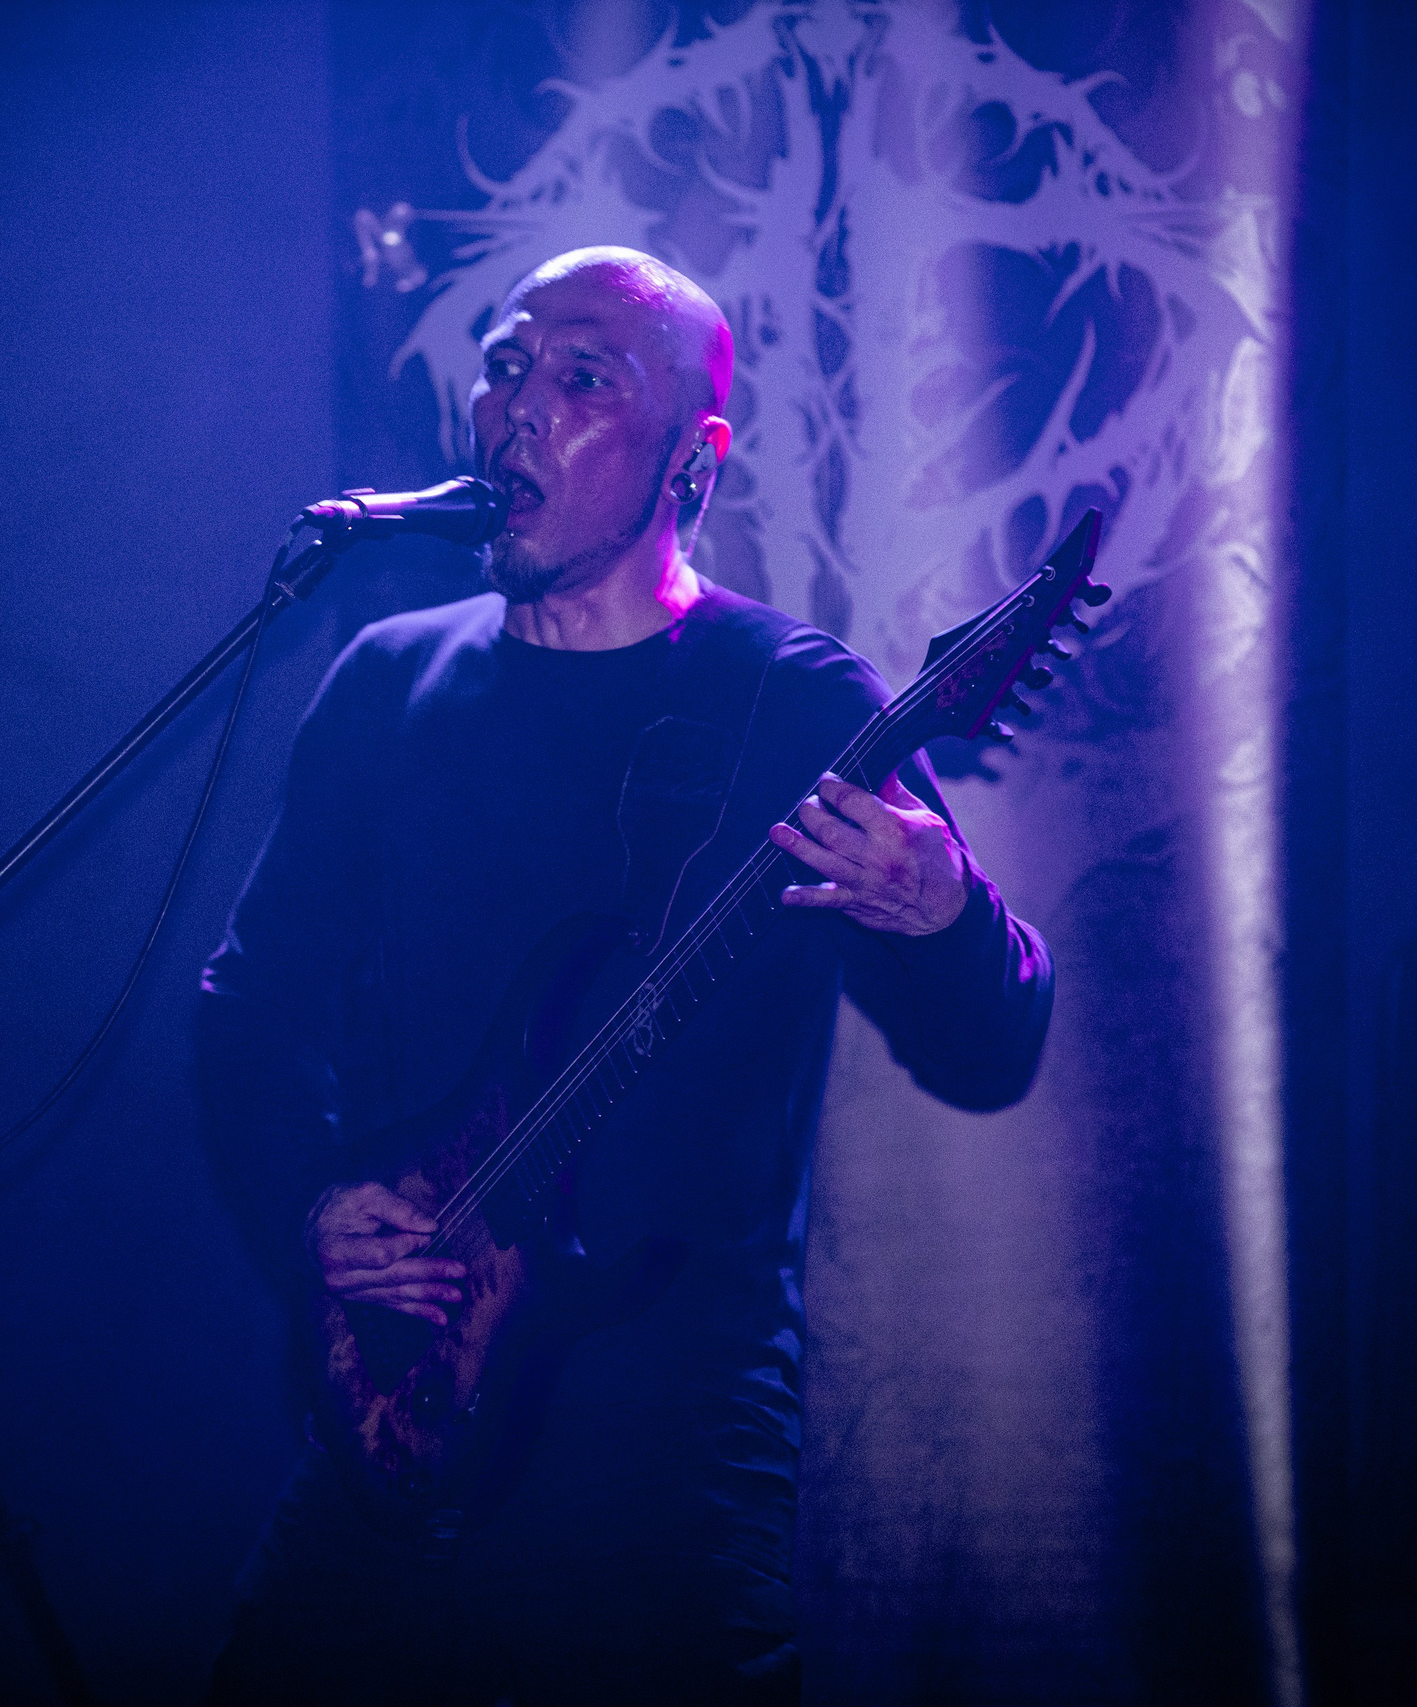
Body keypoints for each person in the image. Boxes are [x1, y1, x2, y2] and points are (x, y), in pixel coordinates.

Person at [197, 246, 1053, 1705]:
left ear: (690, 462)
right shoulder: (388, 681)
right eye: (507, 364)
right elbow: (251, 1011)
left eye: (583, 376)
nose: (520, 406)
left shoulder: (788, 701)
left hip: (654, 1448)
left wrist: (948, 912)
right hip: (395, 1394)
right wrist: (315, 1207)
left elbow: (992, 1045)